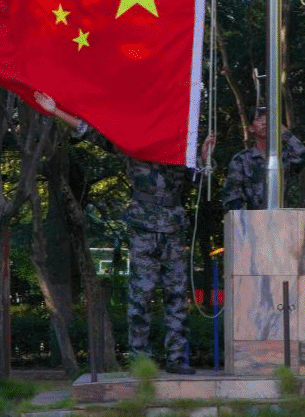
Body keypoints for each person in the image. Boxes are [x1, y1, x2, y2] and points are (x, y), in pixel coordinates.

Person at [33, 90, 213, 376]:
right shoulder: (133, 142)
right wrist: (56, 111)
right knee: (141, 295)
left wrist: (203, 158)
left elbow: (198, 183)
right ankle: (141, 360)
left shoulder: (181, 145)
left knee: (177, 295)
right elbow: (91, 132)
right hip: (144, 226)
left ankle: (177, 357)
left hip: (174, 226)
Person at [222, 104, 305, 211]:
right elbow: (232, 197)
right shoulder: (241, 160)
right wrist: (247, 219)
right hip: (252, 218)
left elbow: (304, 155)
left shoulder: (284, 156)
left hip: (283, 217)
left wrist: (283, 131)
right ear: (251, 128)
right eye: (259, 119)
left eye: (268, 119)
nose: (264, 123)